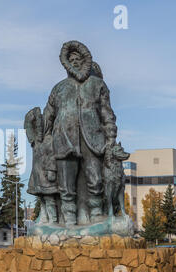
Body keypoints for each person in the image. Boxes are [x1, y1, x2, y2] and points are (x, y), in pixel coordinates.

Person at [44, 41, 117, 226]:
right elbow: (48, 116)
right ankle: (68, 219)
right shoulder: (58, 88)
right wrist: (44, 138)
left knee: (96, 179)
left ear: (85, 61)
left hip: (92, 138)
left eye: (78, 59)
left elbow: (107, 114)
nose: (75, 62)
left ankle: (96, 214)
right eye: (72, 60)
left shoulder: (97, 84)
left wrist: (110, 138)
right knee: (66, 184)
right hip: (64, 139)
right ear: (66, 63)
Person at [25, 107, 58, 224]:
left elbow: (52, 156)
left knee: (49, 198)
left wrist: (51, 170)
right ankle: (44, 216)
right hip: (38, 174)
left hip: (47, 175)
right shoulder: (37, 142)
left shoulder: (50, 140)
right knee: (43, 197)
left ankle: (53, 220)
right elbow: (28, 121)